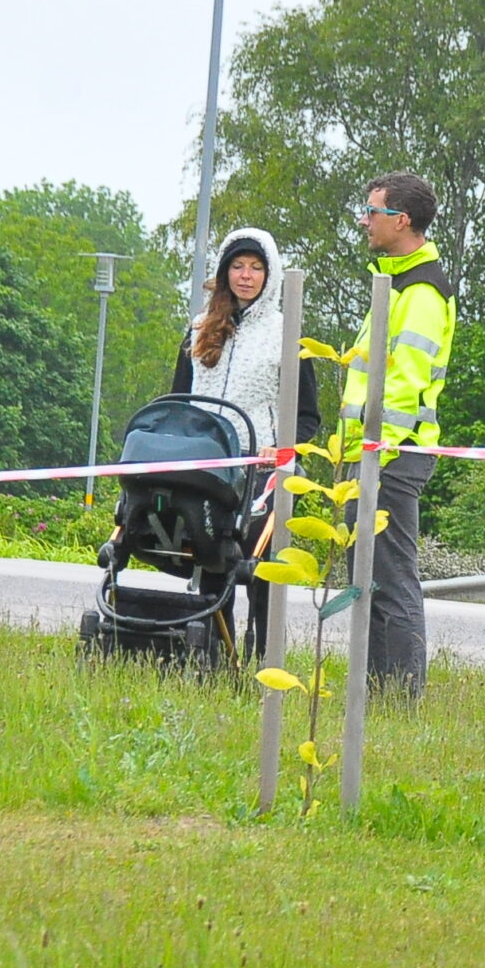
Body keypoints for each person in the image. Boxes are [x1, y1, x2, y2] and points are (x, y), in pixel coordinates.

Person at [169, 227, 323, 656]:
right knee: (211, 563)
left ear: (269, 275)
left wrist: (283, 446)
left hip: (263, 471)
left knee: (260, 571)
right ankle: (214, 659)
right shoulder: (198, 328)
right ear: (225, 272)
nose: (246, 276)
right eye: (238, 266)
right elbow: (178, 400)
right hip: (208, 466)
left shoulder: (286, 333)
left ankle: (265, 660)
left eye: (256, 268)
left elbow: (308, 415)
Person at [339, 171, 455, 701]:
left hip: (390, 455)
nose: (365, 221)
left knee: (392, 580)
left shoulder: (421, 291)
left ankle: (400, 697)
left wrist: (375, 454)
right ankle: (377, 693)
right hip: (372, 453)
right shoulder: (397, 282)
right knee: (371, 579)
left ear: (402, 220)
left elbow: (405, 386)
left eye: (373, 211)